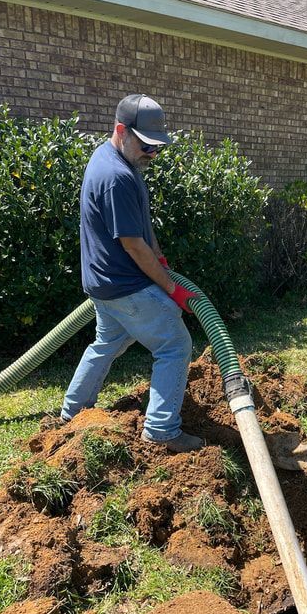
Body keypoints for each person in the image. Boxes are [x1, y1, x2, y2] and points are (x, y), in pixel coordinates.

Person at [61, 94, 203, 452]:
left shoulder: (115, 159)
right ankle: (161, 430)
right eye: (146, 146)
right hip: (125, 286)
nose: (152, 155)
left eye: (157, 148)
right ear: (121, 130)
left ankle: (72, 412)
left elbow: (141, 229)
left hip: (103, 283)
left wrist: (160, 255)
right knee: (174, 345)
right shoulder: (116, 176)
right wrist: (171, 288)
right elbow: (132, 245)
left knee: (106, 344)